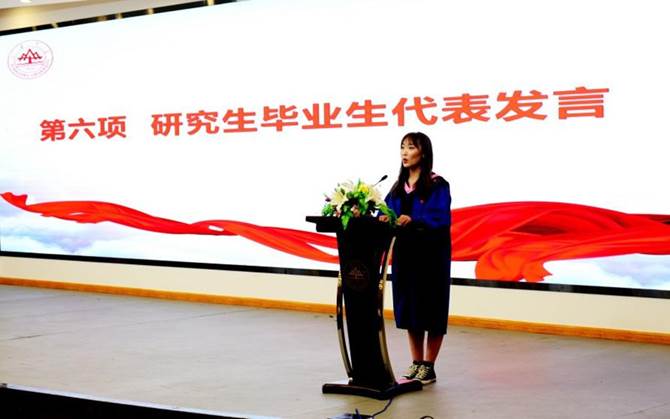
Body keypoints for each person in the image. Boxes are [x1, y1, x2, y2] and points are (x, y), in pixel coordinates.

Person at [379, 131, 452, 385]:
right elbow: (386, 210)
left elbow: (440, 217)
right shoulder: (398, 186)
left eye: (411, 147)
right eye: (402, 147)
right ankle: (416, 361)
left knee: (431, 307)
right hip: (406, 255)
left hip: (431, 256)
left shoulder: (437, 184)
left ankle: (429, 366)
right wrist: (382, 217)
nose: (405, 152)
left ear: (423, 152)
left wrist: (415, 219)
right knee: (411, 307)